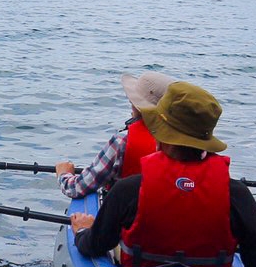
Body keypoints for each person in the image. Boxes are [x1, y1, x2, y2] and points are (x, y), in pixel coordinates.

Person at [68, 81, 256, 267]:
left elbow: (94, 246)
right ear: (206, 141)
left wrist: (83, 231)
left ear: (160, 138)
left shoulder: (128, 190)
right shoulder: (237, 194)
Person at [54, 71, 174, 199]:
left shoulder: (122, 141)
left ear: (136, 105)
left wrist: (64, 174)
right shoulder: (183, 142)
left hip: (126, 215)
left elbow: (76, 188)